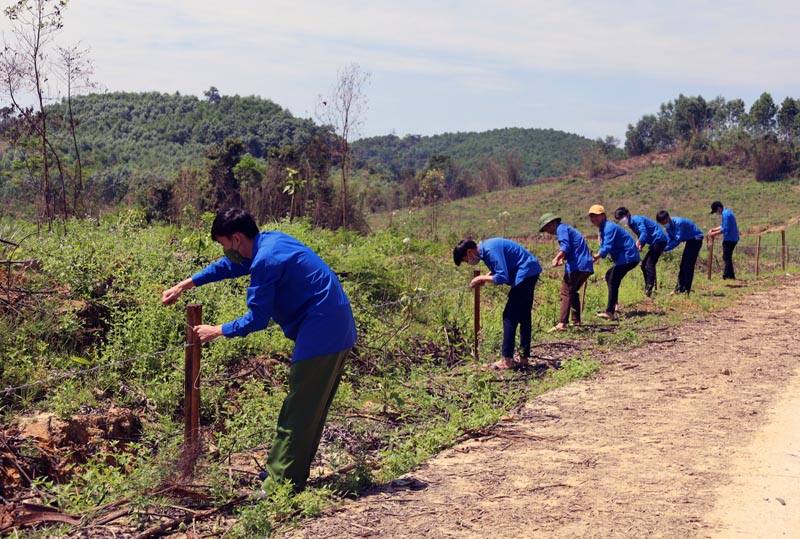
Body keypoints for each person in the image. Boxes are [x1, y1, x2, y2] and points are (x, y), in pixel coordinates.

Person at [161, 208, 357, 492]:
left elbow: (257, 318)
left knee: (299, 411)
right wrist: (185, 284)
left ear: (237, 238)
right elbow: (229, 267)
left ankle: (279, 487)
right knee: (308, 409)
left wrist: (217, 331)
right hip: (335, 326)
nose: (225, 251)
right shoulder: (271, 241)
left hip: (322, 331)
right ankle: (289, 478)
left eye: (224, 245)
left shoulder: (266, 260)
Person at [453, 238, 542, 371]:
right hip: (530, 271)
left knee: (509, 317)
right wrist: (488, 275)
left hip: (525, 273)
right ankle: (523, 358)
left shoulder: (490, 250)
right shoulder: (487, 250)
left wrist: (481, 278)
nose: (468, 262)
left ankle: (506, 360)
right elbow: (500, 267)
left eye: (466, 259)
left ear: (469, 251)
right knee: (524, 316)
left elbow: (502, 277)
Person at [538, 213, 594, 332]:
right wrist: (563, 258)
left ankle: (562, 323)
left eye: (546, 228)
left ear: (553, 223)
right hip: (586, 265)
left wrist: (557, 257)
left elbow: (565, 246)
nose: (547, 231)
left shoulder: (561, 229)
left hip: (577, 265)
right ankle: (576, 321)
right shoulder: (567, 229)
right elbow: (571, 249)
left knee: (565, 292)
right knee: (573, 292)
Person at [588, 205, 640, 320]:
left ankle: (610, 312)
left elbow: (607, 246)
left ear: (603, 216)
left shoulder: (609, 227)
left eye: (596, 216)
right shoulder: (603, 228)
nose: (594, 219)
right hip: (625, 257)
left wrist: (596, 257)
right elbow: (606, 246)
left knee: (612, 279)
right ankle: (614, 305)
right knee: (609, 276)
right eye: (592, 217)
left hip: (628, 257)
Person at [614, 207, 669, 298]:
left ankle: (648, 291)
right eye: (619, 219)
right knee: (644, 265)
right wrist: (641, 245)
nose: (621, 220)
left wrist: (639, 242)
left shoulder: (637, 220)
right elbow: (642, 235)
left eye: (622, 217)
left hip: (659, 240)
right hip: (654, 242)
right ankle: (648, 288)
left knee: (649, 265)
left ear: (628, 214)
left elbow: (644, 233)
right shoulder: (631, 224)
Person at [656, 210, 705, 294]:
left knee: (688, 265)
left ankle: (686, 290)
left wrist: (664, 249)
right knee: (683, 265)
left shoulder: (679, 223)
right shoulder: (668, 226)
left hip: (696, 240)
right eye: (662, 223)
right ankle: (679, 288)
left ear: (668, 218)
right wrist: (662, 246)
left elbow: (677, 240)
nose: (663, 225)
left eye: (664, 222)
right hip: (690, 241)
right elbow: (670, 238)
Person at [707, 201, 739, 280]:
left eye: (715, 211)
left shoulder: (726, 214)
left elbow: (725, 229)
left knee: (726, 257)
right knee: (727, 257)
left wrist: (713, 234)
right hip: (732, 238)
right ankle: (730, 276)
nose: (716, 213)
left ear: (718, 208)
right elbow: (723, 226)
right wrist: (713, 230)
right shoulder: (726, 212)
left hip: (730, 238)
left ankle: (727, 276)